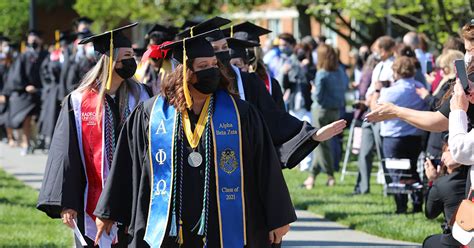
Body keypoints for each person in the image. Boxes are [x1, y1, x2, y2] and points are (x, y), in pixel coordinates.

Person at [94, 31, 296, 247]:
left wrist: (278, 217)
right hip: (169, 225)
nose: (211, 71)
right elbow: (127, 163)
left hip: (221, 222)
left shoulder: (240, 114)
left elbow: (265, 164)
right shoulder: (151, 114)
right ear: (184, 72)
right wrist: (108, 211)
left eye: (213, 64)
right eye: (202, 66)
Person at [177, 16, 347, 169]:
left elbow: (273, 118)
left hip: (241, 168)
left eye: (224, 48)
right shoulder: (188, 90)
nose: (222, 55)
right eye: (215, 49)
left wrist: (311, 134)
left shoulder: (249, 82)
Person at [37, 23, 151, 247]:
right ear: (108, 60)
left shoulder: (143, 96)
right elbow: (66, 153)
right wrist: (67, 202)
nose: (132, 61)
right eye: (126, 56)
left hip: (134, 192)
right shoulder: (78, 102)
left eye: (133, 56)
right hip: (91, 198)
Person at [365, 20, 474, 133]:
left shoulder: (470, 79)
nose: (466, 55)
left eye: (468, 50)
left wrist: (395, 111)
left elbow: (439, 121)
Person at [375, 56, 427, 213]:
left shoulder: (389, 92)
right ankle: (417, 203)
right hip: (415, 135)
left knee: (396, 171)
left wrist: (378, 91)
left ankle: (401, 206)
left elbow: (377, 110)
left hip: (394, 136)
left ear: (395, 72)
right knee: (412, 170)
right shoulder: (420, 88)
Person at [303, 44, 347, 189]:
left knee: (320, 144)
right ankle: (312, 176)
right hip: (335, 110)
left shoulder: (322, 73)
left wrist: (313, 90)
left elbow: (318, 96)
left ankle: (329, 175)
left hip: (321, 110)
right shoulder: (340, 70)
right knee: (324, 144)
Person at [3, 30, 48, 155]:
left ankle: (42, 140)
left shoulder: (46, 55)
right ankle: (26, 142)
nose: (33, 41)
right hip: (27, 91)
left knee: (48, 112)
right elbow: (17, 75)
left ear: (41, 40)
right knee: (26, 114)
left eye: (36, 38)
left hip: (44, 91)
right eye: (31, 39)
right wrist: (26, 86)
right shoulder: (23, 56)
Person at [222, 21, 285, 110]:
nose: (248, 53)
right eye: (243, 48)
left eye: (252, 48)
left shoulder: (270, 83)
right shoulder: (223, 85)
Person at [422, 141, 466, 248]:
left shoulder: (442, 184)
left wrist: (432, 181)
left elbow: (430, 213)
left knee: (428, 242)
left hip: (457, 242)